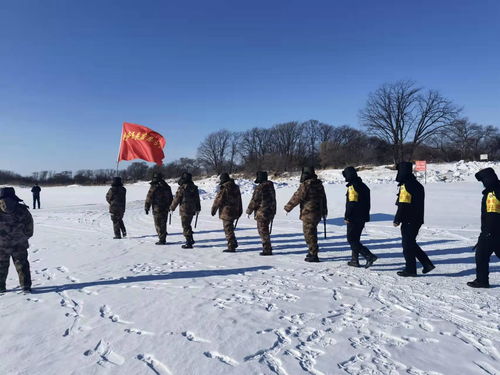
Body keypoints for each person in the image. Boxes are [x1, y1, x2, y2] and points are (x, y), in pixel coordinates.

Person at [393, 162, 435, 277]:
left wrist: (397, 219)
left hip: (409, 219)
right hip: (417, 218)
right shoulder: (417, 184)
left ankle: (411, 269)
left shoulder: (406, 185)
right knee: (410, 243)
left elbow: (403, 204)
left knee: (407, 245)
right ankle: (426, 264)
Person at [284, 166, 327, 262]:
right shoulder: (319, 184)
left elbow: (297, 197)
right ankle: (312, 251)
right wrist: (324, 211)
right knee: (312, 232)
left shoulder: (306, 185)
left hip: (308, 213)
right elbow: (323, 199)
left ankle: (313, 254)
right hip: (317, 212)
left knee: (309, 234)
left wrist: (288, 207)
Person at [467, 168, 500, 288]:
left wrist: (487, 232)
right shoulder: (498, 188)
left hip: (492, 231)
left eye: (483, 181)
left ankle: (482, 280)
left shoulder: (492, 194)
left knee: (481, 255)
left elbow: (492, 215)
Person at [0, 187, 34, 294]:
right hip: (19, 243)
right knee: (22, 264)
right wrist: (24, 237)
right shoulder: (22, 210)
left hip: (1, 245)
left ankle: (0, 287)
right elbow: (29, 228)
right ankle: (25, 286)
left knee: (1, 265)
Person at [343, 167, 377, 268]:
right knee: (356, 239)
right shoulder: (363, 186)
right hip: (362, 216)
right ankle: (354, 260)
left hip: (354, 217)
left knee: (351, 239)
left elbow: (351, 203)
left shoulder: (353, 187)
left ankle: (369, 256)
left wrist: (347, 216)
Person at [246, 171, 276, 256]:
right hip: (270, 211)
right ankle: (267, 248)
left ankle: (267, 249)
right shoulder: (271, 186)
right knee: (264, 230)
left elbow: (255, 201)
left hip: (262, 212)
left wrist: (249, 211)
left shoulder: (260, 188)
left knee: (263, 231)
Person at [211, 173, 242, 253]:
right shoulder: (236, 187)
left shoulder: (224, 188)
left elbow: (218, 200)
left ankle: (231, 246)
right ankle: (233, 243)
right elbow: (239, 199)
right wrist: (240, 210)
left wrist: (214, 209)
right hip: (235, 210)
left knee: (228, 229)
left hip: (226, 211)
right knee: (230, 228)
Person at [170, 172, 201, 249]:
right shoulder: (194, 187)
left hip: (184, 209)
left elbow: (177, 199)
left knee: (185, 226)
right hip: (192, 209)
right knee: (188, 224)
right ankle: (191, 239)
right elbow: (197, 199)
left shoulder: (182, 188)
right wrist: (198, 208)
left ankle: (188, 242)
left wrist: (172, 208)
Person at [145, 173, 173, 245]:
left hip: (157, 208)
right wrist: (170, 206)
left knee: (158, 224)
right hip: (165, 208)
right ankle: (163, 237)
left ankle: (162, 239)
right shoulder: (167, 186)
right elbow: (171, 198)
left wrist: (147, 206)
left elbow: (149, 197)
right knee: (163, 223)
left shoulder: (154, 186)